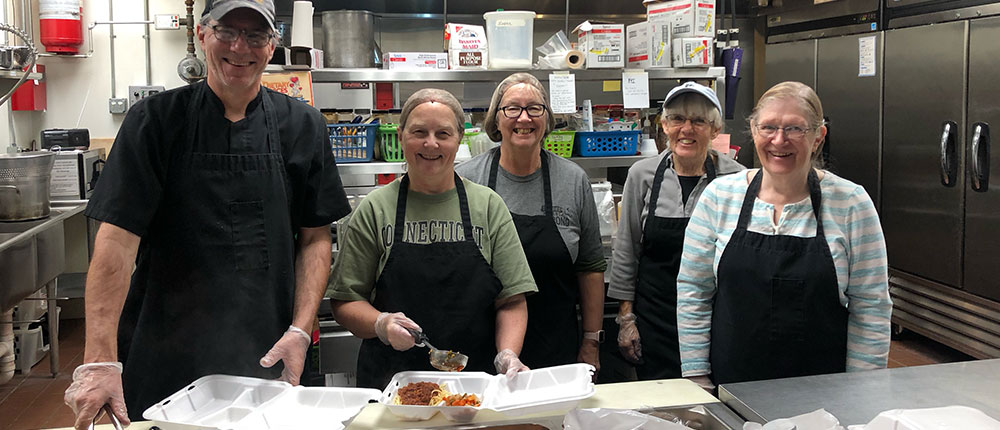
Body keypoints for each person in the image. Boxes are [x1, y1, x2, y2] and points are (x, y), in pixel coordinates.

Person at [62, 0, 350, 427]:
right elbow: (117, 242)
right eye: (226, 31)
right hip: (164, 346)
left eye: (255, 35)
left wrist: (300, 330)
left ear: (272, 46)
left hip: (268, 345)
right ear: (201, 35)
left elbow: (315, 237)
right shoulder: (154, 121)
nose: (240, 46)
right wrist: (99, 360)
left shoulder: (302, 125)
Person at [676, 81, 892, 389]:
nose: (779, 140)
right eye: (769, 127)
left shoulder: (851, 203)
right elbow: (694, 291)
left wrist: (860, 390)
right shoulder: (720, 197)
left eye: (795, 129)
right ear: (753, 130)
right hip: (734, 385)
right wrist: (697, 374)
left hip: (825, 392)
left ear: (818, 137)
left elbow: (871, 305)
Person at [327, 88, 537, 389]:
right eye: (419, 132)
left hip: (474, 385)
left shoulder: (488, 206)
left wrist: (507, 354)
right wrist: (381, 324)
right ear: (401, 136)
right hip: (391, 386)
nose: (431, 143)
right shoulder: (375, 208)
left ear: (459, 138)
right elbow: (346, 301)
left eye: (443, 133)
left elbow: (512, 300)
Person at [456, 73, 606, 373]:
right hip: (480, 347)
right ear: (496, 120)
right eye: (512, 108)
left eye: (534, 108)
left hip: (556, 345)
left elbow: (590, 266)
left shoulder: (573, 179)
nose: (523, 118)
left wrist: (591, 341)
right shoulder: (467, 178)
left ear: (546, 118)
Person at [608, 82, 745, 380]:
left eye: (698, 121)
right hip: (655, 319)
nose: (687, 129)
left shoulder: (735, 178)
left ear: (714, 129)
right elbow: (627, 250)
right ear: (665, 126)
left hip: (715, 320)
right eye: (678, 120)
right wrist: (626, 319)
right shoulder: (642, 174)